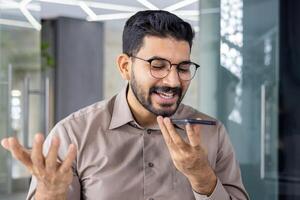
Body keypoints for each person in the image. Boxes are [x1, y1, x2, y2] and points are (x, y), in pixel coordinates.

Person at [1, 10, 249, 200]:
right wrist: (50, 196)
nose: (173, 81)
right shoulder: (73, 134)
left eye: (183, 68)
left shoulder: (211, 132)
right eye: (158, 65)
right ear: (124, 66)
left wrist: (204, 179)